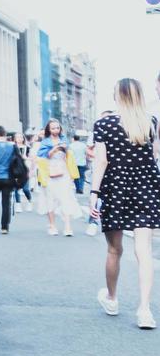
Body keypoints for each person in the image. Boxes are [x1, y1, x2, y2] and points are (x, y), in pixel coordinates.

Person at [90, 79, 159, 329]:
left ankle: (112, 299)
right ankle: (145, 311)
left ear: (118, 96)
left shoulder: (104, 124)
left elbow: (101, 161)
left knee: (114, 249)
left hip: (115, 188)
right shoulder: (149, 122)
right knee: (144, 251)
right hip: (146, 187)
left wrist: (94, 192)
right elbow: (154, 156)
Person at [34, 118, 84, 236]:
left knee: (65, 198)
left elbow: (68, 155)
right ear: (49, 129)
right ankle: (52, 226)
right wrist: (56, 148)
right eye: (53, 128)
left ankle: (68, 227)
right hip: (49, 171)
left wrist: (65, 149)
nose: (56, 130)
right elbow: (45, 156)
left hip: (63, 171)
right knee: (50, 198)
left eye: (57, 128)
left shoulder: (64, 139)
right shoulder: (45, 141)